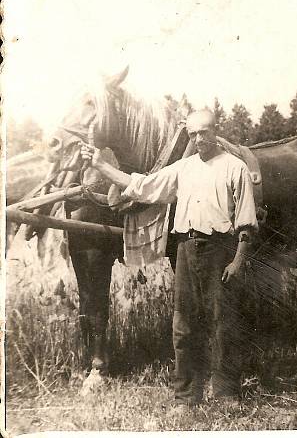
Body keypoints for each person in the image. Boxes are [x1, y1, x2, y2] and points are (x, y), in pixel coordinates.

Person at [81, 109, 258, 412]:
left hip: (220, 251)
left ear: (215, 131)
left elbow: (246, 222)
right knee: (184, 325)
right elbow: (141, 186)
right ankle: (186, 397)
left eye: (204, 132)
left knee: (222, 321)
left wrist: (238, 261)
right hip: (186, 249)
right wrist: (99, 163)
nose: (199, 139)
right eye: (193, 134)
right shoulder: (182, 169)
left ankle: (227, 394)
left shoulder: (235, 168)